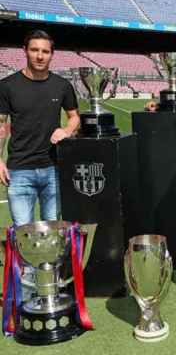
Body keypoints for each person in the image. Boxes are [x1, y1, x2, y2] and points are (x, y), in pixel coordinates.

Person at [0, 30, 80, 299]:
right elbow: (0, 127)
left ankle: (49, 290)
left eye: (45, 51)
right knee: (24, 237)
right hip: (19, 171)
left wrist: (67, 131)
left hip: (52, 170)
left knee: (51, 238)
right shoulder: (8, 86)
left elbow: (74, 117)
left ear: (52, 54)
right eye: (35, 50)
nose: (40, 56)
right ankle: (24, 296)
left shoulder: (62, 85)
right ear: (25, 50)